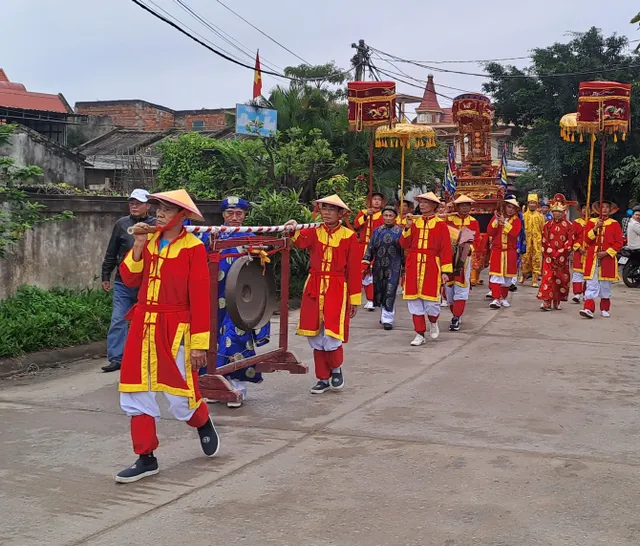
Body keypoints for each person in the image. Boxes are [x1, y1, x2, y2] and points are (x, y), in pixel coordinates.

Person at [116, 189, 219, 483]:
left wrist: (199, 344)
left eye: (167, 209)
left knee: (178, 397)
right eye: (158, 207)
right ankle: (146, 457)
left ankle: (201, 421)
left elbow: (200, 299)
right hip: (142, 324)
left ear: (182, 216)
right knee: (135, 390)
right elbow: (130, 278)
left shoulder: (193, 248)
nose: (159, 213)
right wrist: (137, 244)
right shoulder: (148, 242)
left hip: (175, 328)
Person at [284, 195, 361, 394]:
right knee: (315, 334)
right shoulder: (314, 231)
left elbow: (353, 269)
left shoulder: (348, 236)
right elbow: (299, 242)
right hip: (315, 285)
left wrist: (354, 299)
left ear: (340, 213)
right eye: (324, 208)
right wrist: (293, 227)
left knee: (332, 332)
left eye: (331, 209)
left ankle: (336, 369)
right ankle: (322, 378)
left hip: (336, 286)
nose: (326, 213)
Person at [210, 197, 270, 408]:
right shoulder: (212, 235)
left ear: (245, 216)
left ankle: (238, 387)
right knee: (214, 338)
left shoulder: (252, 237)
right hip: (216, 297)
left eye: (239, 214)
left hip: (242, 299)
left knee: (236, 337)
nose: (234, 218)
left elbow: (260, 270)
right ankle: (218, 386)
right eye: (230, 213)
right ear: (223, 215)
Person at [100, 189, 156, 373]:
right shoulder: (121, 224)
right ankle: (116, 358)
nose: (134, 206)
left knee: (147, 322)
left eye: (138, 203)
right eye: (131, 202)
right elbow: (111, 251)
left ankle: (146, 357)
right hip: (123, 281)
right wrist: (105, 275)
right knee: (118, 319)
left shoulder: (155, 226)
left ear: (147, 206)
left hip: (147, 282)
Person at [400, 192, 453, 346]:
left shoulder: (440, 224)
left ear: (434, 206)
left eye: (425, 202)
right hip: (413, 264)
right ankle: (419, 333)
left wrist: (445, 271)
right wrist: (407, 228)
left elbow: (445, 249)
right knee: (414, 301)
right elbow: (404, 244)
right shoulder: (413, 222)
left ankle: (433, 321)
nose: (422, 205)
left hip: (432, 264)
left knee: (432, 302)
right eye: (421, 202)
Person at [580, 199, 624, 319]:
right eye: (602, 207)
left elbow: (619, 242)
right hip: (592, 258)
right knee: (591, 284)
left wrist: (606, 252)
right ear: (598, 209)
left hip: (607, 259)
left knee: (605, 285)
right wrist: (595, 228)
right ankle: (588, 308)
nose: (604, 209)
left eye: (606, 207)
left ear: (610, 210)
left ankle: (605, 308)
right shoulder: (591, 222)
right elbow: (587, 240)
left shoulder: (614, 224)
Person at [363, 205, 403, 330]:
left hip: (394, 266)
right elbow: (370, 247)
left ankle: (388, 319)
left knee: (390, 290)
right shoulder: (377, 231)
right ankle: (383, 313)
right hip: (378, 266)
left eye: (391, 216)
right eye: (385, 215)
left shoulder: (400, 232)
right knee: (380, 290)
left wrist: (405, 265)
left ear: (395, 217)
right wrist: (366, 262)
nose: (388, 218)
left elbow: (404, 250)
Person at [443, 195, 480, 331]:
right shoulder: (448, 219)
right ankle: (456, 313)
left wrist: (469, 249)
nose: (465, 208)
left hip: (464, 260)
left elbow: (476, 240)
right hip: (447, 258)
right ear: (456, 206)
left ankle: (456, 317)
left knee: (461, 288)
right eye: (462, 205)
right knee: (449, 291)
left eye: (467, 205)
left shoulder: (473, 222)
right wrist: (446, 211)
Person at [537, 194, 574, 311]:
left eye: (559, 211)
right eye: (555, 211)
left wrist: (560, 253)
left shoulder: (569, 225)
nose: (557, 213)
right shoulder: (547, 225)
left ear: (563, 212)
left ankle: (557, 301)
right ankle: (546, 301)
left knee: (560, 279)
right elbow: (544, 241)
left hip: (562, 258)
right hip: (549, 257)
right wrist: (551, 253)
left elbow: (570, 242)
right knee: (548, 278)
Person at [487, 198, 522, 309]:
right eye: (509, 207)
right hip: (497, 251)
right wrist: (497, 221)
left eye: (513, 208)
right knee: (496, 276)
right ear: (504, 207)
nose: (510, 210)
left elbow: (514, 233)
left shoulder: (516, 220)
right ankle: (496, 298)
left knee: (507, 278)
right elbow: (490, 231)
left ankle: (503, 298)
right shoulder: (496, 218)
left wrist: (504, 222)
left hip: (510, 252)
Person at [354, 192, 386, 310]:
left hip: (377, 247)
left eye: (379, 199)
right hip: (363, 247)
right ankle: (369, 299)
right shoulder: (363, 212)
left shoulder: (383, 215)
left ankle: (374, 298)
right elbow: (356, 225)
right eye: (374, 199)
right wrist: (366, 215)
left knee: (374, 272)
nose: (377, 201)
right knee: (363, 272)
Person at [519, 194, 545, 287]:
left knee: (537, 259)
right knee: (525, 259)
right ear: (528, 203)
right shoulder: (523, 216)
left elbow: (543, 230)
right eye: (531, 202)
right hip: (526, 241)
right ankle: (523, 276)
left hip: (537, 242)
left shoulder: (541, 216)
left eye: (534, 203)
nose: (532, 204)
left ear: (537, 204)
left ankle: (534, 280)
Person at [571, 203, 588, 303]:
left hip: (589, 252)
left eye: (588, 208)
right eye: (584, 208)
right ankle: (577, 293)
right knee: (577, 273)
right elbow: (572, 237)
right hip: (578, 251)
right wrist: (578, 247)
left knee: (588, 274)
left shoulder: (594, 222)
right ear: (580, 210)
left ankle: (586, 294)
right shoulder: (576, 222)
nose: (586, 210)